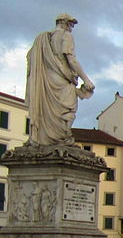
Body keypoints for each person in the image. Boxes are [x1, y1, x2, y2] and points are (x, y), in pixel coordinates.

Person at [26, 13, 95, 147]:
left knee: (47, 110)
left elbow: (31, 58)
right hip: (63, 79)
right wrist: (86, 79)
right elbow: (71, 59)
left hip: (48, 79)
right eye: (71, 24)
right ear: (64, 23)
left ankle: (46, 138)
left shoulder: (43, 39)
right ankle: (61, 138)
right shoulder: (66, 35)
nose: (72, 27)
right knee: (68, 111)